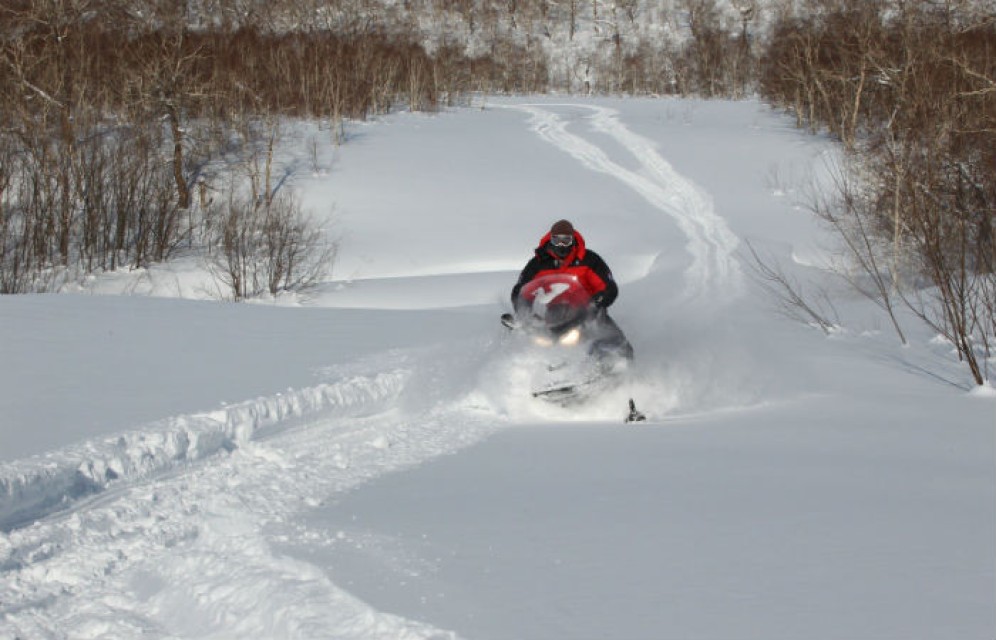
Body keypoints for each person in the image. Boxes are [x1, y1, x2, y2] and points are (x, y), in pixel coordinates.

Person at [510, 219, 633, 359]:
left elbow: (608, 287)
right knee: (533, 341)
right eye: (557, 240)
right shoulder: (538, 263)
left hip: (588, 312)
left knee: (618, 344)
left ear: (573, 240)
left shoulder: (589, 260)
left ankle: (619, 366)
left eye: (566, 240)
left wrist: (597, 302)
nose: (561, 245)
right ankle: (528, 367)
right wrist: (525, 314)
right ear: (551, 240)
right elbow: (522, 290)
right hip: (553, 315)